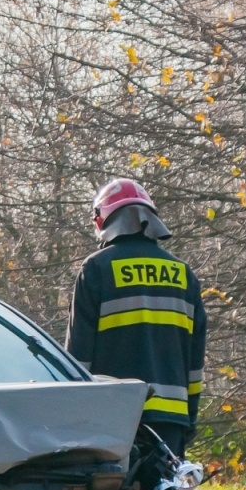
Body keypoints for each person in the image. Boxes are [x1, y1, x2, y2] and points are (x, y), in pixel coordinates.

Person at [66, 178, 206, 463]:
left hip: (112, 418)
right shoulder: (183, 273)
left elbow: (78, 357)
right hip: (172, 421)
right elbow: (195, 361)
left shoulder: (97, 268)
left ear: (102, 220)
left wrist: (72, 418)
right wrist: (188, 417)